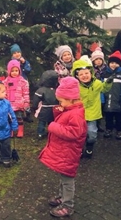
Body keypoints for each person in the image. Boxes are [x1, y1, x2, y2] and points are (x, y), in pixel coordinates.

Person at [38, 77, 87, 217]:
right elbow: (66, 122)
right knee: (63, 177)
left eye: (62, 101)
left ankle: (68, 205)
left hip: (69, 153)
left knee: (67, 180)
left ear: (71, 99)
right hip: (65, 152)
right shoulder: (70, 110)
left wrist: (53, 126)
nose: (60, 103)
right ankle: (62, 197)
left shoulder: (76, 114)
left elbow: (73, 132)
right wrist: (60, 112)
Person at [71, 59, 112, 158]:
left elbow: (104, 89)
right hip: (79, 114)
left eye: (86, 73)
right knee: (79, 134)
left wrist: (108, 83)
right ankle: (79, 149)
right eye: (81, 74)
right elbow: (69, 98)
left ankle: (89, 147)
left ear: (91, 73)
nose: (84, 76)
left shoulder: (97, 83)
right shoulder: (75, 86)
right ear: (77, 76)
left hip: (92, 114)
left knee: (92, 134)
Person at [101, 51, 121, 140]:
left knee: (119, 117)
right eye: (112, 62)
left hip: (118, 100)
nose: (114, 65)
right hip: (108, 99)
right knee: (108, 116)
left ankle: (119, 130)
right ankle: (108, 129)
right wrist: (102, 99)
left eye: (116, 63)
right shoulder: (104, 74)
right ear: (108, 63)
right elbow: (101, 87)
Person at [2, 59, 30, 137]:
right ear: (9, 71)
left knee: (19, 118)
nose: (14, 72)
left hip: (19, 104)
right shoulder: (5, 82)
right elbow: (3, 92)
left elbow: (26, 93)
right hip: (9, 104)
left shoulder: (23, 82)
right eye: (12, 71)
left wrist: (26, 103)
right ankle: (10, 130)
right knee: (9, 118)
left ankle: (20, 130)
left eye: (16, 70)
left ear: (19, 71)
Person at [31, 70, 59, 139]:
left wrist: (34, 108)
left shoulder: (41, 90)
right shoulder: (57, 90)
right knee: (51, 122)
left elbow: (36, 101)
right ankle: (51, 133)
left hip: (44, 109)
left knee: (42, 122)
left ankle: (40, 134)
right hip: (54, 110)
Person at [90, 47, 107, 133]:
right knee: (96, 107)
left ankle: (100, 123)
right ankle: (95, 124)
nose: (98, 61)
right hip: (95, 90)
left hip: (103, 89)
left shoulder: (106, 68)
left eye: (100, 59)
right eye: (96, 59)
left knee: (101, 107)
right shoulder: (91, 69)